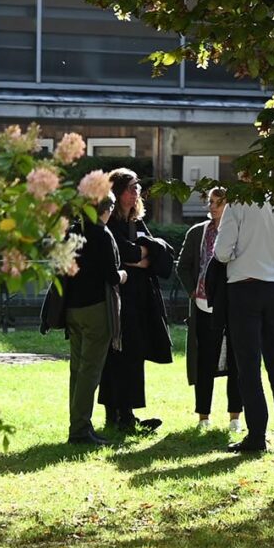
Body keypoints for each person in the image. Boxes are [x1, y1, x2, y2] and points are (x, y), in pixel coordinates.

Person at [211, 193, 274, 456]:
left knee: (248, 366)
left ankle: (256, 435)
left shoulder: (238, 204)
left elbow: (221, 253)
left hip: (244, 289)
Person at [97, 169, 173, 434]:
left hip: (139, 299)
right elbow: (122, 255)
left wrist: (144, 253)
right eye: (130, 187)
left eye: (137, 187)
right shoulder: (111, 223)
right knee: (116, 355)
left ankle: (127, 413)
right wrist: (145, 252)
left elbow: (159, 256)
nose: (136, 192)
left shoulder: (135, 221)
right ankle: (114, 415)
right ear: (117, 192)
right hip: (119, 298)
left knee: (134, 355)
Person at [54, 181, 120, 446]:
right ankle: (80, 429)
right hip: (96, 309)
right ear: (107, 208)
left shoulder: (72, 233)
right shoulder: (102, 235)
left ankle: (78, 425)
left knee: (77, 370)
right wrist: (124, 275)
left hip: (72, 308)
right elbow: (111, 274)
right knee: (90, 372)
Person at [173, 185, 241, 434]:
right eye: (210, 203)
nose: (212, 207)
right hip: (202, 305)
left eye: (218, 202)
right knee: (204, 362)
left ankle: (235, 417)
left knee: (237, 361)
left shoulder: (240, 231)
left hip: (232, 306)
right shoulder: (197, 232)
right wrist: (193, 290)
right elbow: (183, 266)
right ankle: (203, 416)